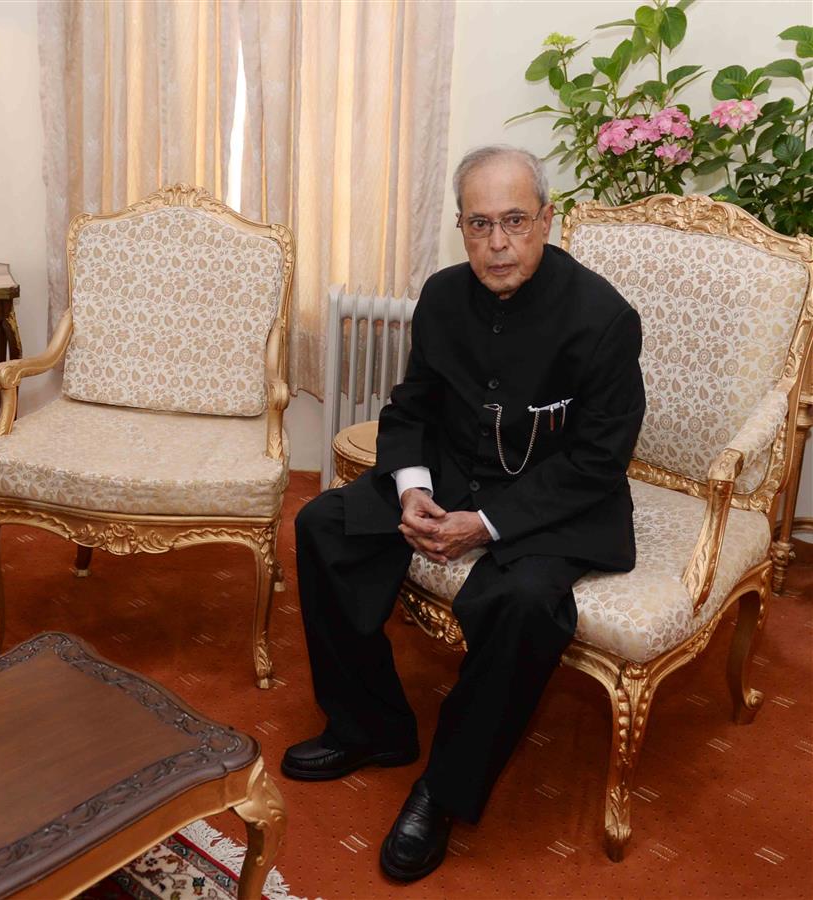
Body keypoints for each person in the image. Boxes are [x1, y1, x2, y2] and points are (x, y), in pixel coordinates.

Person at [283, 145, 645, 881]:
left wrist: (486, 524)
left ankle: (441, 791)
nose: (498, 243)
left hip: (554, 500)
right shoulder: (444, 295)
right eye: (479, 225)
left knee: (520, 603)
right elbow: (411, 406)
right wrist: (413, 488)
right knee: (324, 525)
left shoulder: (604, 318)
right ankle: (370, 727)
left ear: (548, 220)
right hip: (448, 471)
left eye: (515, 220)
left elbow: (598, 462)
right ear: (460, 227)